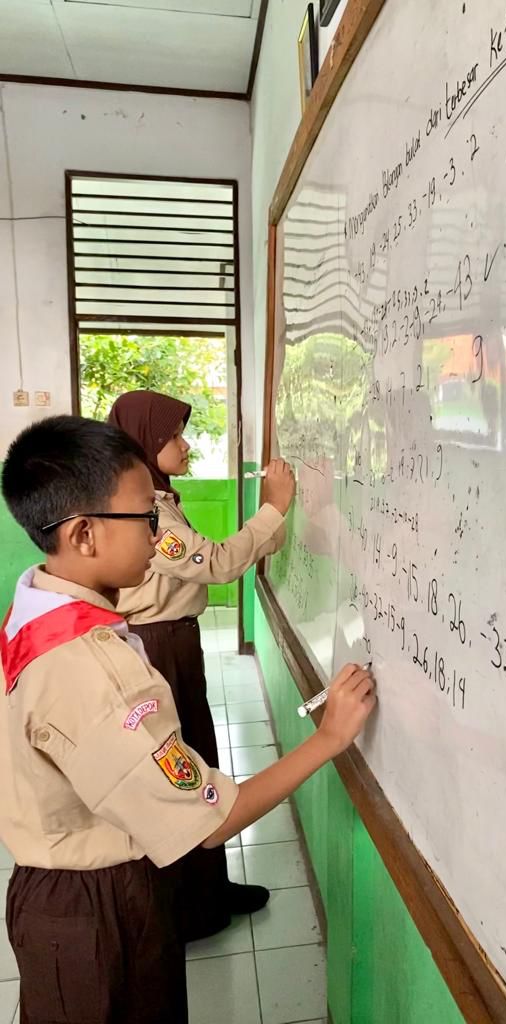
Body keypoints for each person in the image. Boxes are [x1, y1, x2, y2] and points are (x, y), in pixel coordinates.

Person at [0, 415, 375, 1024]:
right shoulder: (94, 672)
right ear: (83, 534)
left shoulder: (36, 606)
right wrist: (330, 738)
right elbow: (212, 821)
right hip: (96, 908)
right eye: (145, 518)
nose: (157, 535)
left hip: (61, 891)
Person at [107, 390, 294, 939]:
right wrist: (273, 509)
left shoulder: (159, 498)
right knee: (179, 774)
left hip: (174, 643)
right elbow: (212, 563)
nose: (185, 446)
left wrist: (272, 525)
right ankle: (188, 908)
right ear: (146, 441)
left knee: (199, 760)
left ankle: (209, 889)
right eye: (173, 436)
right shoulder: (146, 510)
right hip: (158, 648)